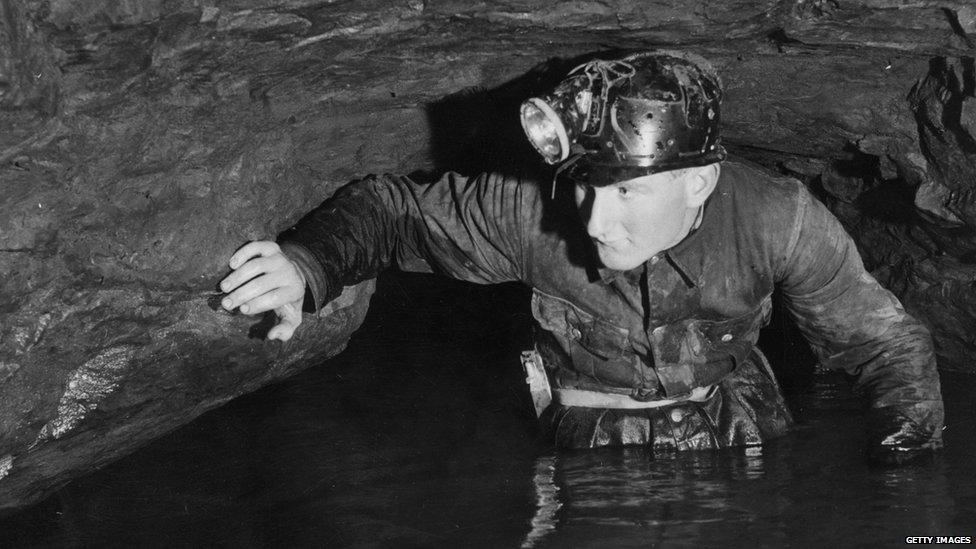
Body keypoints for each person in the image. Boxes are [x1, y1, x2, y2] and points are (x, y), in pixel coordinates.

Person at [218, 50, 943, 463]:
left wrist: (907, 463)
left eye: (627, 193)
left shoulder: (775, 218)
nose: (595, 218)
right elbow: (394, 212)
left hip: (739, 428)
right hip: (593, 446)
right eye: (586, 187)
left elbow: (881, 339)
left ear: (699, 180)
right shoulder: (529, 213)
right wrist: (307, 265)